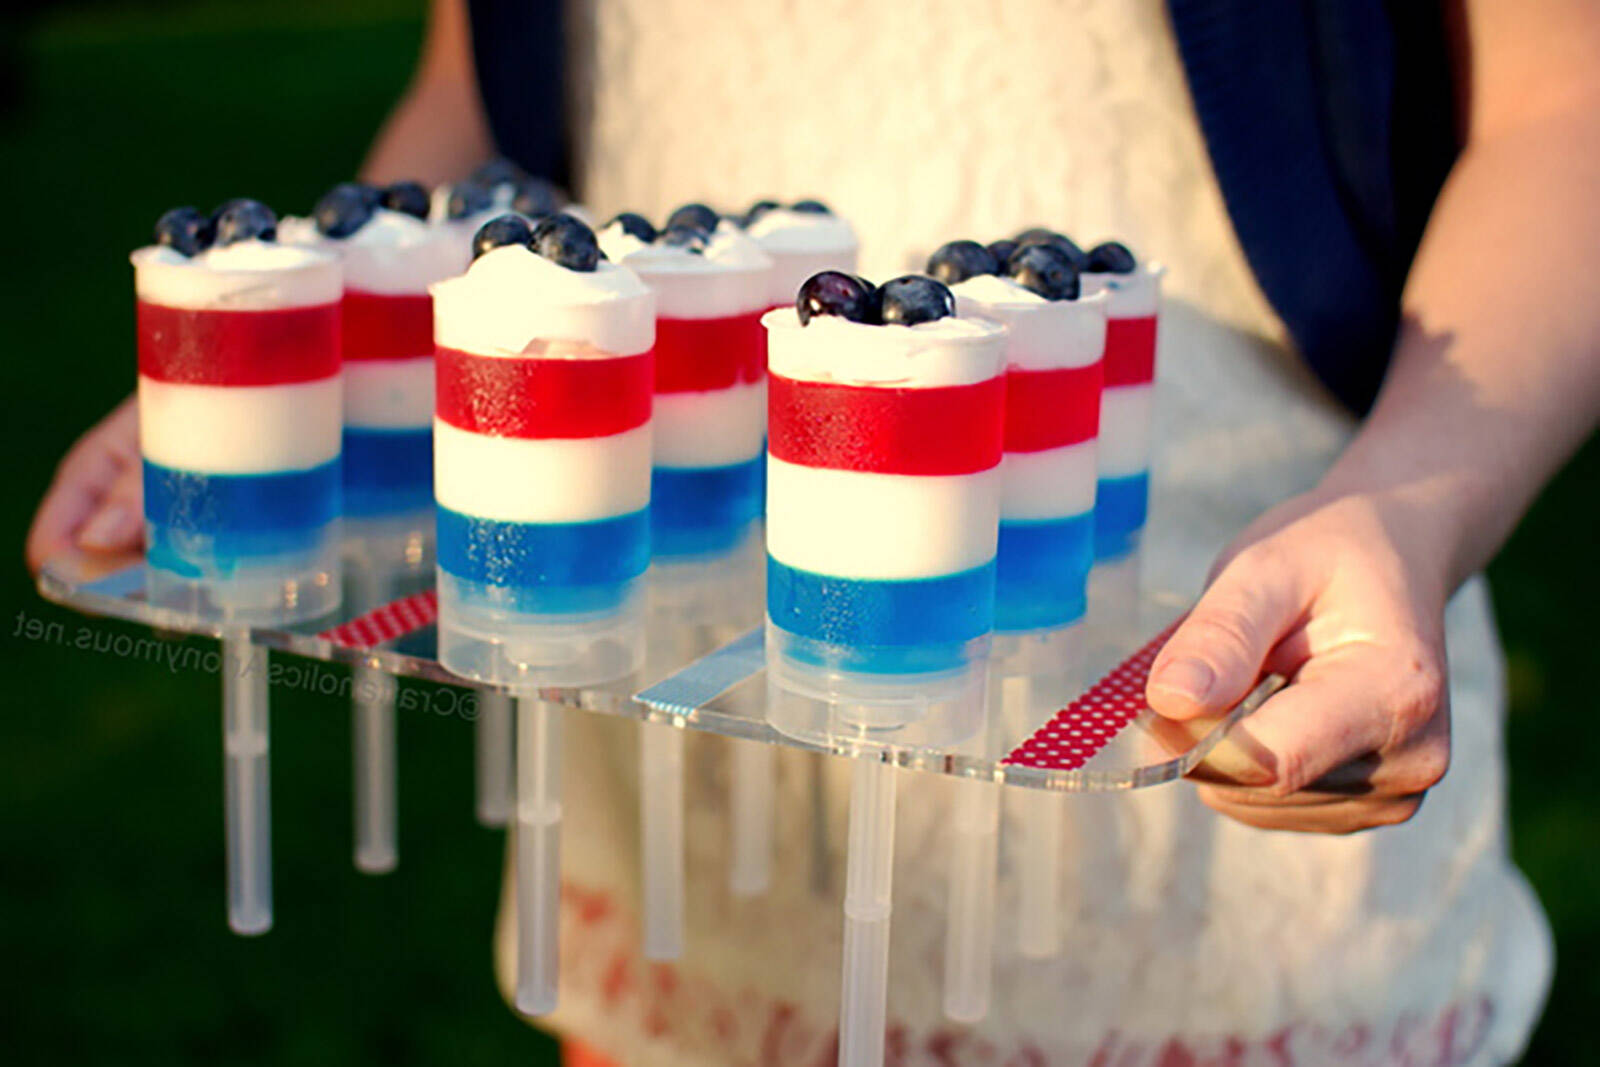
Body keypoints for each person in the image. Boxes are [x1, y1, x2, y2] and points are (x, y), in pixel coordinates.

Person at [29, 0, 1599, 1062]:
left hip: (1230, 723)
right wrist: (291, 361)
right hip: (680, 841)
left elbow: (1564, 99)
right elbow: (474, 87)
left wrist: (1416, 499)